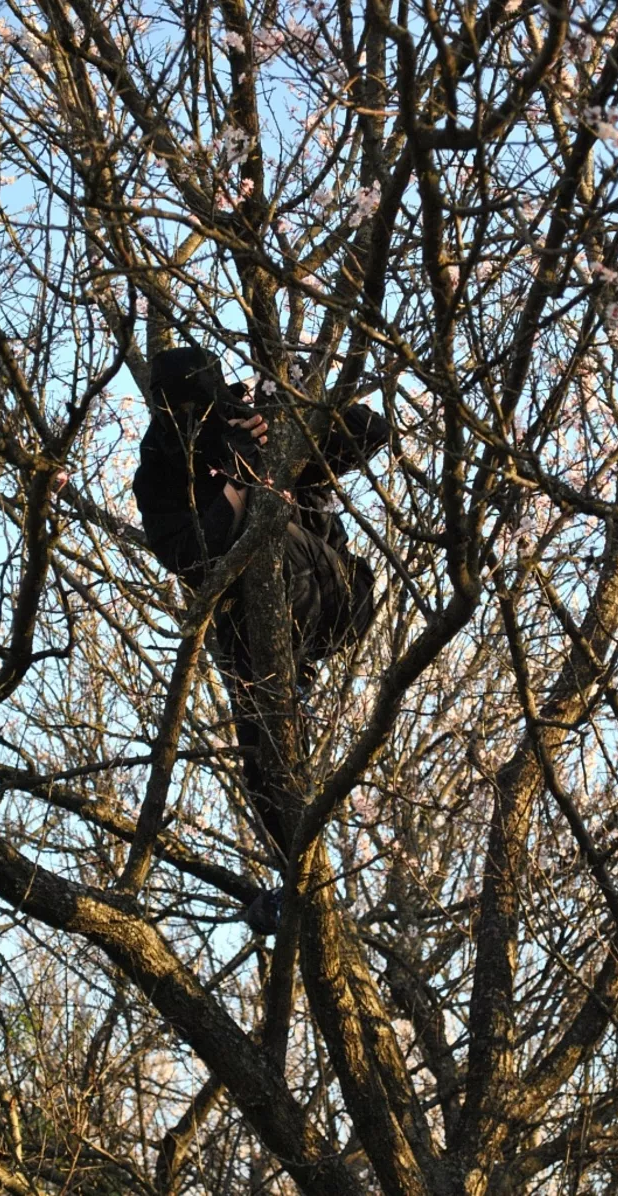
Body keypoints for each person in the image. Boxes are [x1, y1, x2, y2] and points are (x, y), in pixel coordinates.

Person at [133, 342, 388, 896]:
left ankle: (294, 674)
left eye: (197, 403)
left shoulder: (258, 415)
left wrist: (299, 405)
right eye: (175, 406)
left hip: (335, 589)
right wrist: (234, 483)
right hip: (246, 622)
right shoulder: (161, 468)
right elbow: (190, 554)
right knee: (262, 754)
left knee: (270, 540)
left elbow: (370, 433)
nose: (187, 416)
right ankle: (296, 881)